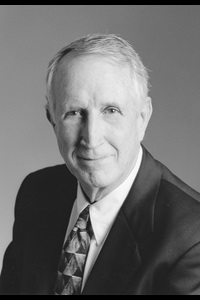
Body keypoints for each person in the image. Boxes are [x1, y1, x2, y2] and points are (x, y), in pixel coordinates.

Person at [1, 33, 200, 296]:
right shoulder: (36, 191)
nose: (91, 139)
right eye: (74, 112)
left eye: (111, 110)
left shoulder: (191, 239)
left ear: (142, 118)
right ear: (52, 120)